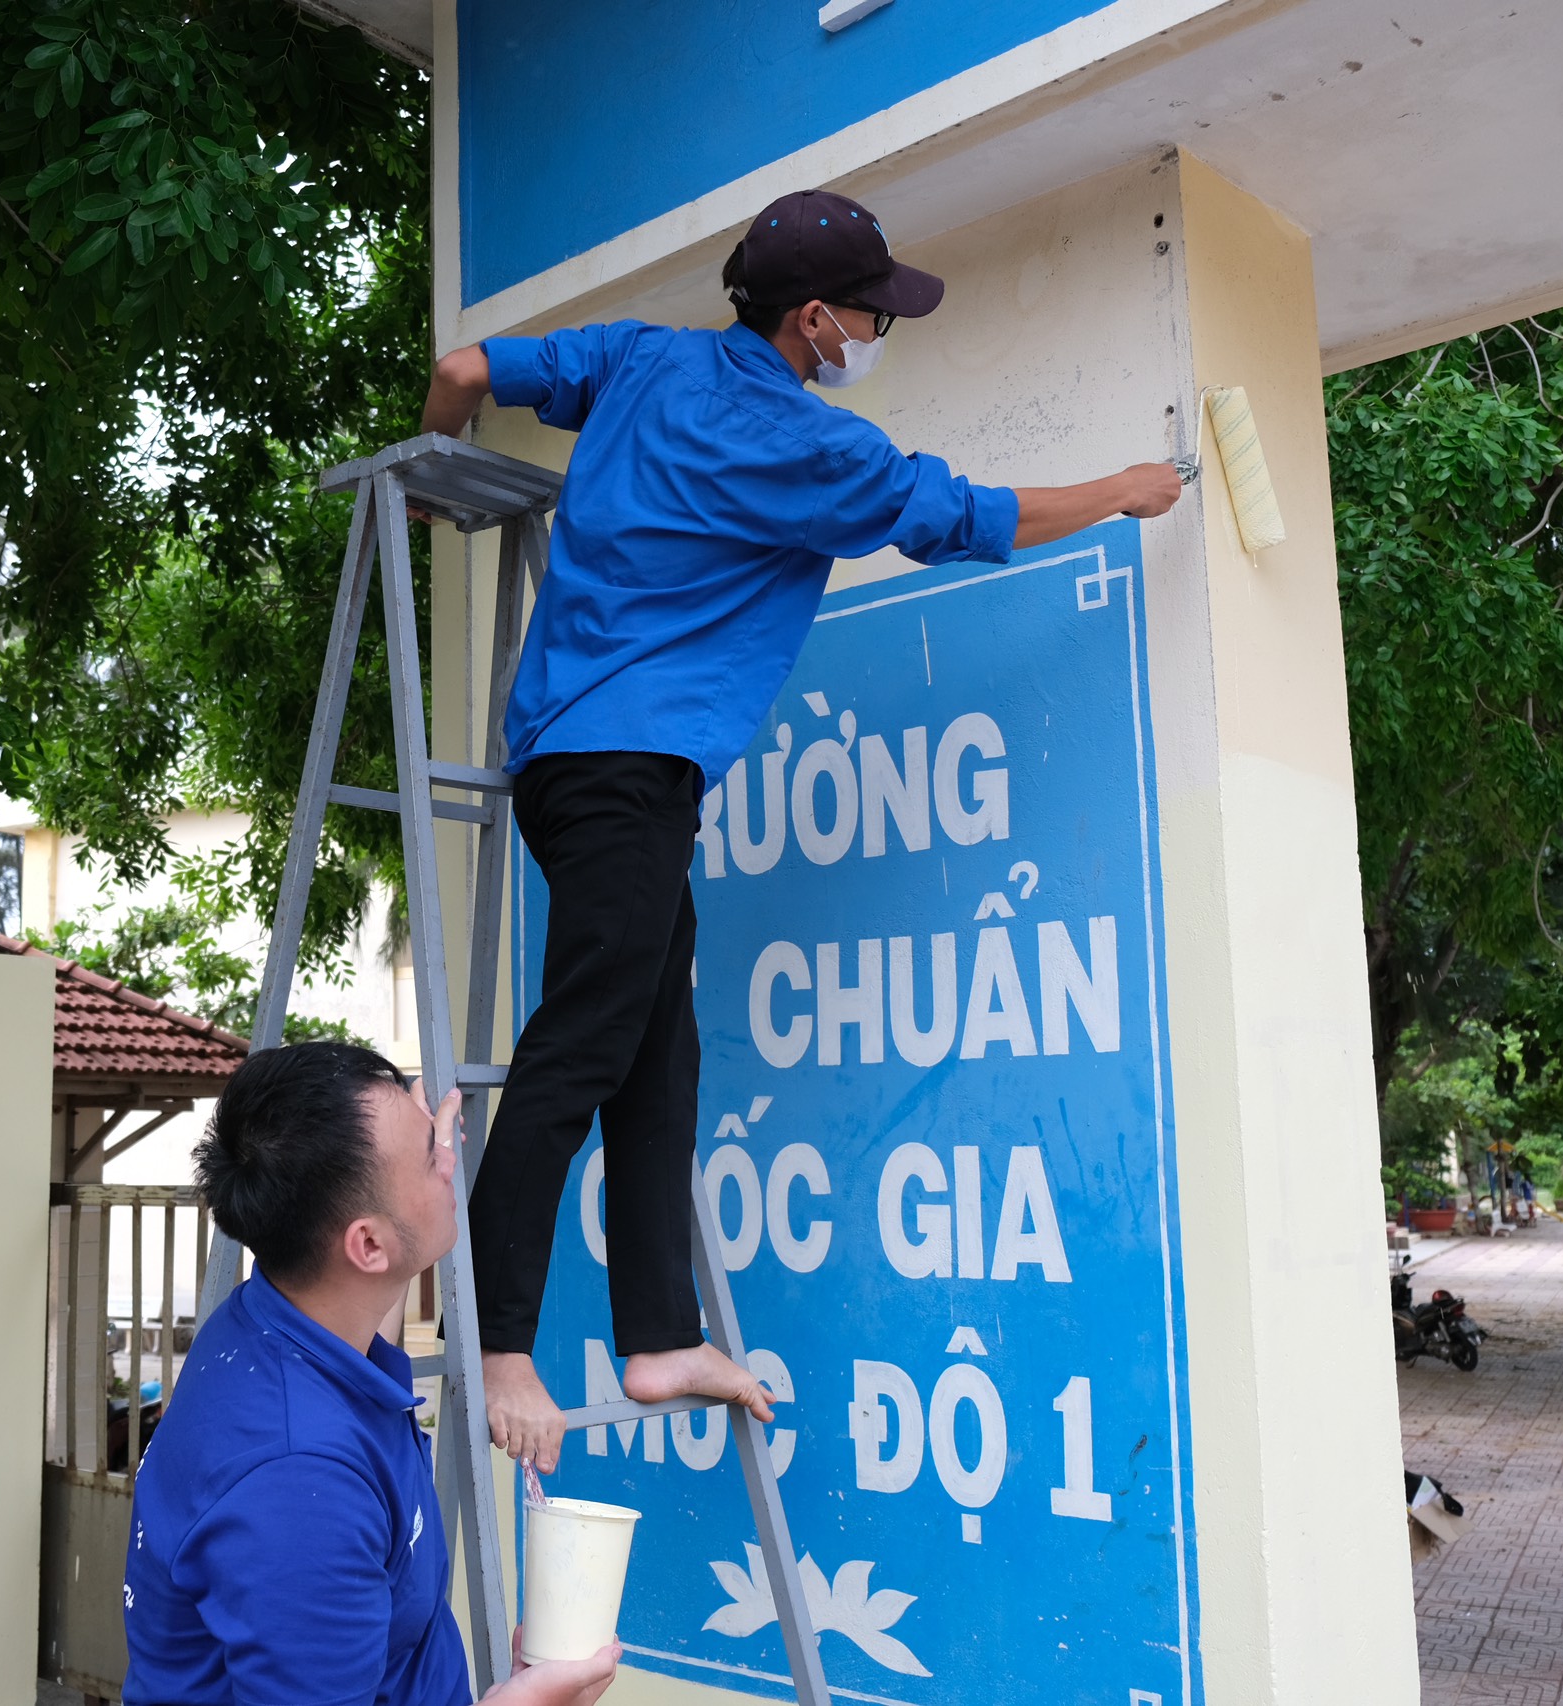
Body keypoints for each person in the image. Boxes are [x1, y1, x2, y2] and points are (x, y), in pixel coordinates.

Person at [418, 188, 1188, 1474]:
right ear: (816, 320)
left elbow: (461, 369)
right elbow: (970, 521)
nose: (882, 328)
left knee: (660, 1056)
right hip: (631, 771)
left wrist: (432, 481)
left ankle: (657, 1339)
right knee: (574, 1057)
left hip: (577, 766)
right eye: (873, 312)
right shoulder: (814, 448)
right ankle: (497, 1347)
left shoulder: (639, 356)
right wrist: (1121, 489)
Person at [123, 1040, 619, 1706]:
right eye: (430, 1157)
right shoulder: (300, 1487)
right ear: (367, 1246)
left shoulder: (276, 1320)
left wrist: (402, 1135)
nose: (451, 1159)